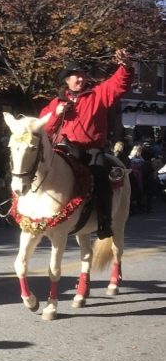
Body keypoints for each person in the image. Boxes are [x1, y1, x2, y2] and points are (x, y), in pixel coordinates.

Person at [39, 49, 133, 239]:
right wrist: (57, 113)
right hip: (65, 148)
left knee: (100, 177)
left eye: (82, 76)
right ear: (67, 80)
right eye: (75, 76)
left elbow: (118, 85)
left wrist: (126, 67)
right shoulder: (57, 102)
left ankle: (104, 221)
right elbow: (43, 128)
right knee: (40, 170)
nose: (80, 80)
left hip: (91, 149)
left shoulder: (97, 95)